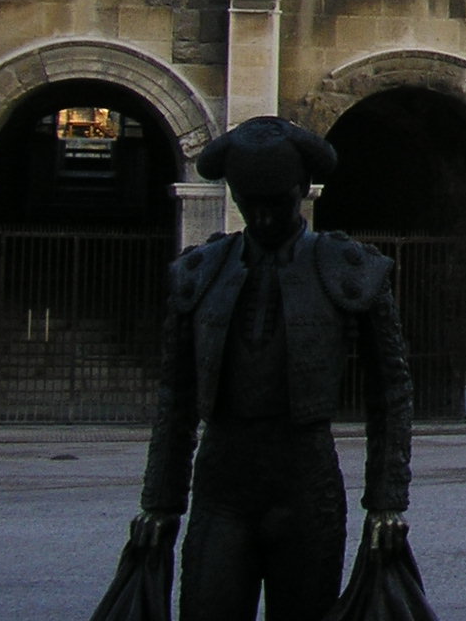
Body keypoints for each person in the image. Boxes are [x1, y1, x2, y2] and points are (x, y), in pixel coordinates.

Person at [131, 117, 414, 621]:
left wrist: (386, 501)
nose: (262, 220)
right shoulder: (201, 270)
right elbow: (174, 395)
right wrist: (160, 502)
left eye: (276, 203)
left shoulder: (348, 267)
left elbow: (390, 390)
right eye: (249, 205)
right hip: (222, 478)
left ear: (303, 191)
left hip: (305, 478)